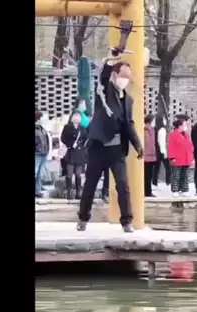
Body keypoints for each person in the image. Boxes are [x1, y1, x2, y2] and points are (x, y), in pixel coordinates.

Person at [76, 52, 144, 233]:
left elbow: (128, 124)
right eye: (123, 75)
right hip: (98, 147)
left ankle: (127, 221)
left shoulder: (128, 100)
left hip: (116, 150)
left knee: (123, 185)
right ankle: (83, 217)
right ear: (115, 75)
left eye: (128, 76)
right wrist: (110, 59)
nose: (125, 79)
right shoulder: (105, 91)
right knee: (90, 185)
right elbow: (103, 76)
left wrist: (137, 144)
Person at [60, 112, 88, 199]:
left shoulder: (83, 128)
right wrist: (71, 144)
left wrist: (81, 146)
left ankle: (78, 192)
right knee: (69, 173)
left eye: (78, 117)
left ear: (80, 119)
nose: (76, 118)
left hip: (80, 153)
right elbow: (63, 138)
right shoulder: (67, 127)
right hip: (70, 152)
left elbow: (86, 139)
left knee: (78, 174)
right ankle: (69, 192)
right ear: (72, 118)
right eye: (75, 117)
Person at [167, 115, 194, 197]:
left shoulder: (186, 134)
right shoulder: (173, 134)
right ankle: (175, 190)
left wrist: (191, 157)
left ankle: (184, 189)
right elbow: (171, 146)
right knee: (176, 175)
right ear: (180, 126)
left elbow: (190, 145)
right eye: (185, 124)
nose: (186, 126)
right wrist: (172, 157)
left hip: (186, 158)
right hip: (177, 158)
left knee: (185, 175)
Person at [35, 108, 50, 198]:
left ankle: (37, 191)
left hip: (43, 153)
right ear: (38, 119)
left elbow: (46, 141)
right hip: (37, 153)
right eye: (42, 118)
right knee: (35, 172)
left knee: (40, 174)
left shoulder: (42, 129)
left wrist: (47, 150)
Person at [152, 116, 171, 186]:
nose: (165, 121)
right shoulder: (162, 130)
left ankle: (154, 182)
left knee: (156, 168)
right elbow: (162, 142)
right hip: (162, 151)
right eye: (164, 120)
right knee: (168, 167)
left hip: (157, 150)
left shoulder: (155, 129)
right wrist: (164, 152)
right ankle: (168, 182)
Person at [143, 114, 158, 197]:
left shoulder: (153, 130)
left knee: (149, 175)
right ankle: (147, 192)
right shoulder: (144, 130)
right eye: (154, 121)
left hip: (152, 156)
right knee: (146, 175)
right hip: (145, 157)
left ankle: (148, 191)